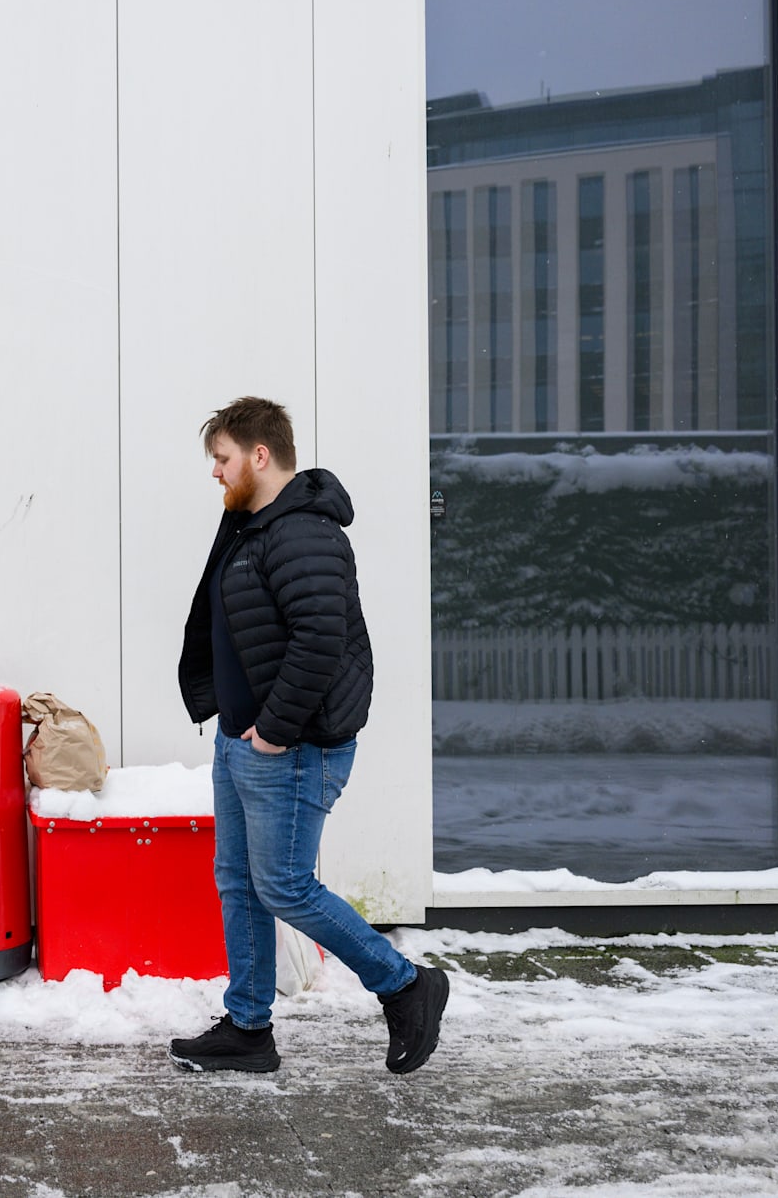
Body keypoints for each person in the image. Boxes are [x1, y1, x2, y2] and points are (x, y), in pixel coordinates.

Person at [170, 396, 449, 1075]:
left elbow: (321, 640)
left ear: (259, 455)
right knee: (238, 882)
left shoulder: (305, 533)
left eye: (223, 457)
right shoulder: (252, 527)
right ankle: (248, 1027)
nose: (215, 471)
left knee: (286, 886)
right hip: (243, 742)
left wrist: (274, 728)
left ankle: (406, 984)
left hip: (290, 748)